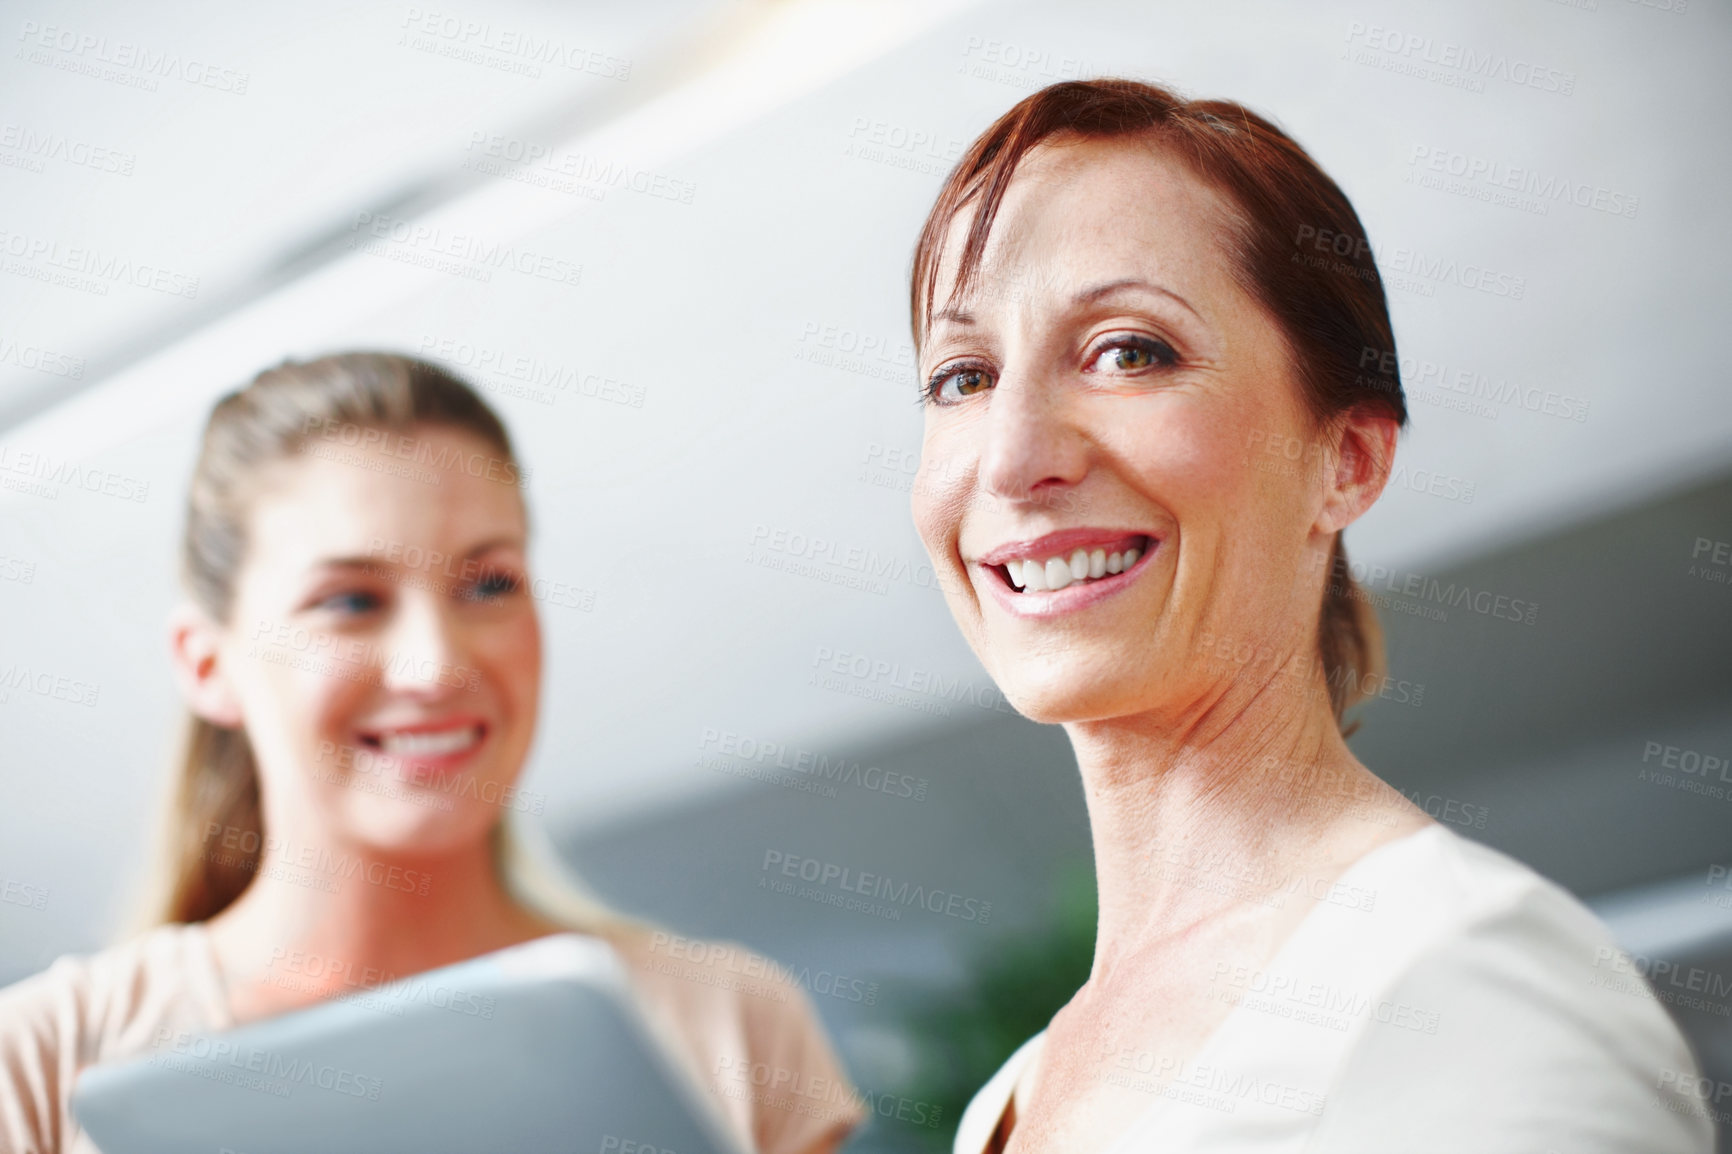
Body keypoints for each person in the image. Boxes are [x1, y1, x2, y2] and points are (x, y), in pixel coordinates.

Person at [905, 79, 1713, 1153]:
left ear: (1346, 457)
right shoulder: (1010, 1093)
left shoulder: (1460, 976)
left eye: (1130, 350)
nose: (1012, 457)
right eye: (963, 375)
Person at [0, 353, 863, 1154]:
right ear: (207, 663)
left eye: (488, 584)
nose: (437, 665)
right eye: (349, 601)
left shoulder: (730, 1023)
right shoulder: (40, 1063)